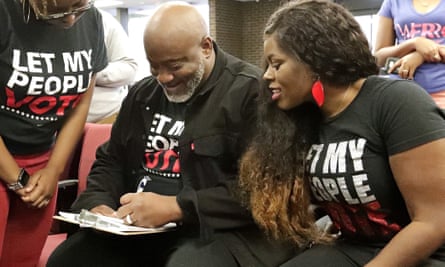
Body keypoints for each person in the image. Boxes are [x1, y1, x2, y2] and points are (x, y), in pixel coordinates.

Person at [47, 2, 296, 267]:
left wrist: (177, 207)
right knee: (68, 258)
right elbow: (112, 160)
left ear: (206, 47)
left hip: (214, 231)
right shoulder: (143, 94)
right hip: (141, 229)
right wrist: (99, 204)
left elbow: (264, 190)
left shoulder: (251, 93)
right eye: (155, 67)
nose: (164, 78)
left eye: (175, 66)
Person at [238, 0, 445, 266]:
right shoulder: (303, 118)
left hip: (425, 253)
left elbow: (434, 221)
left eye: (276, 64)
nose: (266, 75)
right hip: (356, 248)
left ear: (314, 61)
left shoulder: (395, 102)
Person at [0, 0, 107, 266]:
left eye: (79, 7)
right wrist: (16, 178)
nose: (71, 20)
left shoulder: (91, 20)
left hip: (41, 165)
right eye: (60, 11)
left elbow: (81, 102)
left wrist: (54, 170)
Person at [373, 0, 445, 108]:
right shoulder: (392, 2)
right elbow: (379, 58)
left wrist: (420, 56)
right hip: (400, 94)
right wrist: (413, 43)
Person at [87, 9, 138, 123]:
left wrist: (89, 73)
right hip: (53, 122)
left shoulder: (104, 20)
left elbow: (130, 68)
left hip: (106, 118)